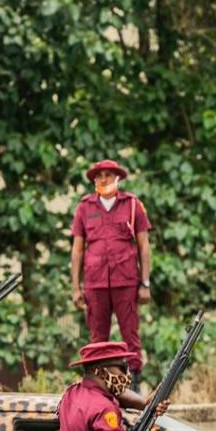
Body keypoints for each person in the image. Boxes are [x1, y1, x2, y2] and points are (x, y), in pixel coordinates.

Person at [69, 159, 152, 392]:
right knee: (98, 340)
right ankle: (101, 390)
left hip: (126, 280)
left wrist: (145, 283)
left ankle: (133, 387)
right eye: (99, 175)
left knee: (130, 336)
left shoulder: (133, 205)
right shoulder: (84, 208)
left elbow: (144, 246)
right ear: (94, 180)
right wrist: (76, 288)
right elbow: (77, 250)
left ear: (118, 178)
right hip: (95, 283)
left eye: (108, 174)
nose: (103, 179)